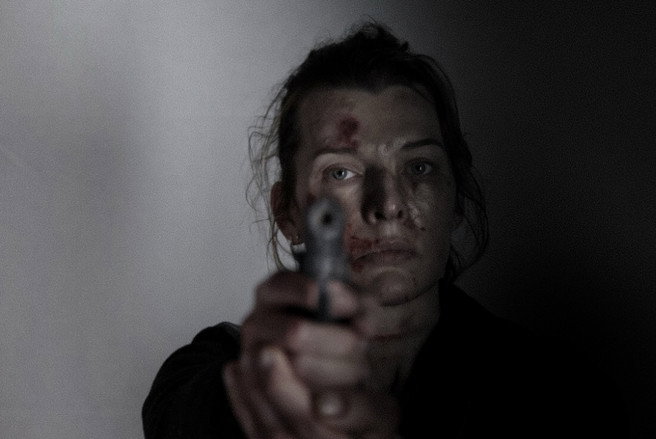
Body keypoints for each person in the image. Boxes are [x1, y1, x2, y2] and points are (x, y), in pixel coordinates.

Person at [143, 21, 627, 438]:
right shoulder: (210, 378)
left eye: (419, 167)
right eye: (341, 172)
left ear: (456, 198)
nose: (389, 204)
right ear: (287, 213)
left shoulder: (559, 394)